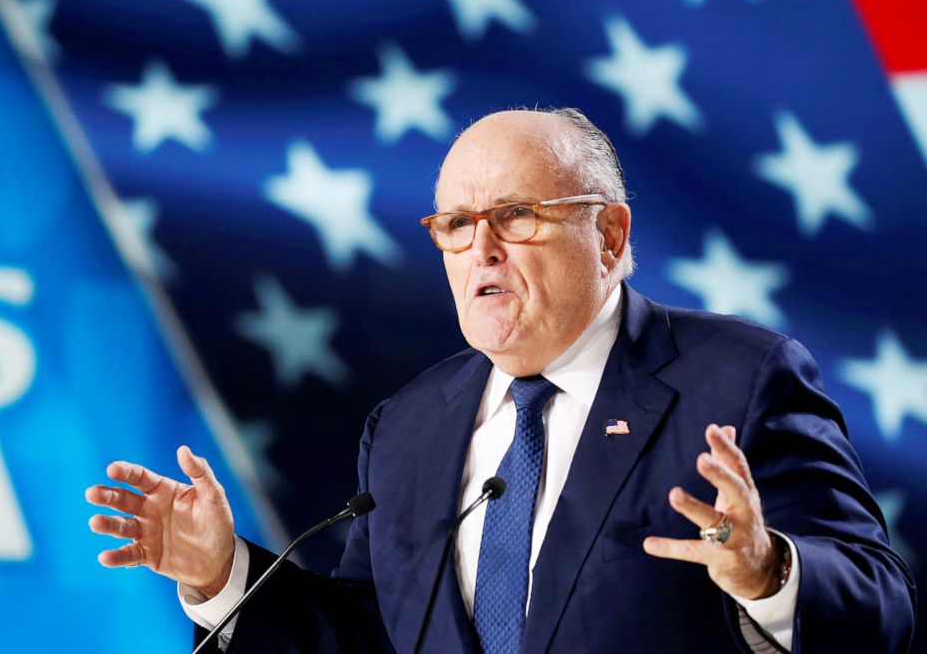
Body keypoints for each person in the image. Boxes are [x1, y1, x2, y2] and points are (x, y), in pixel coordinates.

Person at [86, 108, 916, 653]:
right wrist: (225, 573)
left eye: (517, 216)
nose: (481, 249)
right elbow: (368, 638)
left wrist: (769, 571)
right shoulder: (409, 426)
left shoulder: (737, 379)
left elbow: (884, 604)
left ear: (610, 234)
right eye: (455, 224)